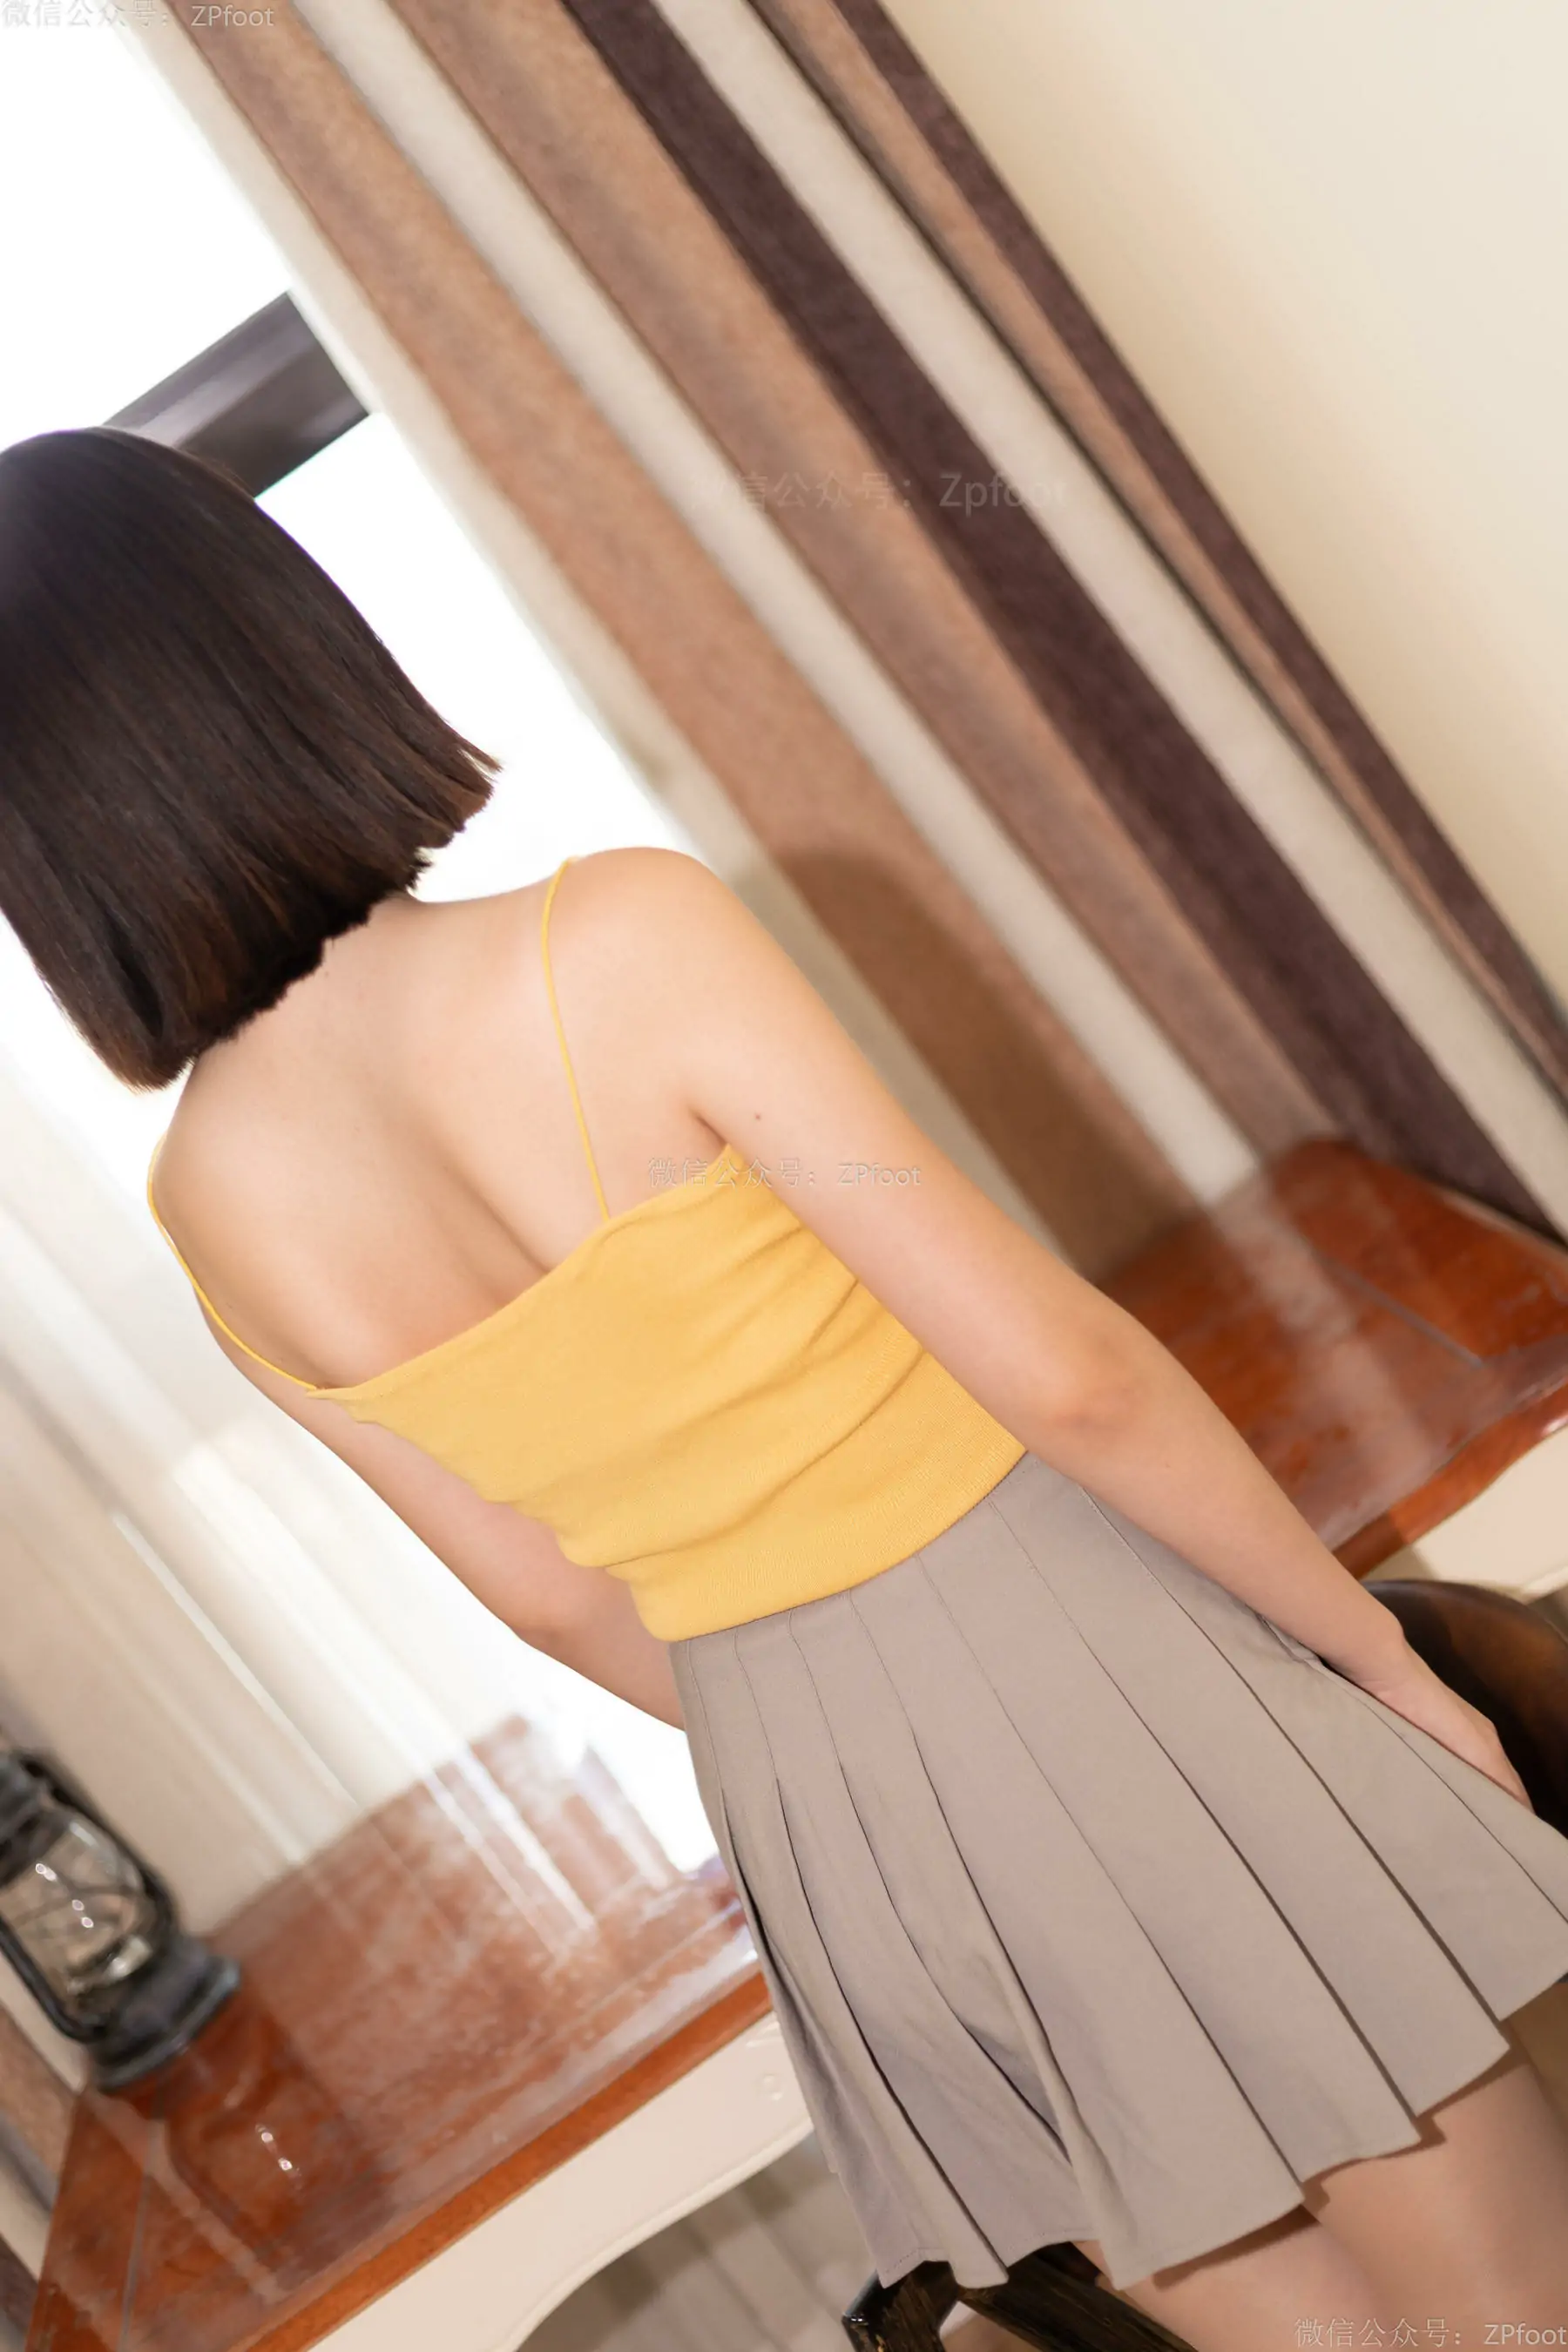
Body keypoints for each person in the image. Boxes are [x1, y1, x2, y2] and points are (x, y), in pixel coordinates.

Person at [4, 424, 1568, 2349]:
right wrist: (1379, 1660)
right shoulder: (613, 937)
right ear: (277, 651)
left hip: (822, 1819)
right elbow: (1067, 1378)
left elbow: (546, 1594)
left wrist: (852, 1743)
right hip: (1082, 1653)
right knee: (1515, 2310)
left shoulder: (210, 1207)